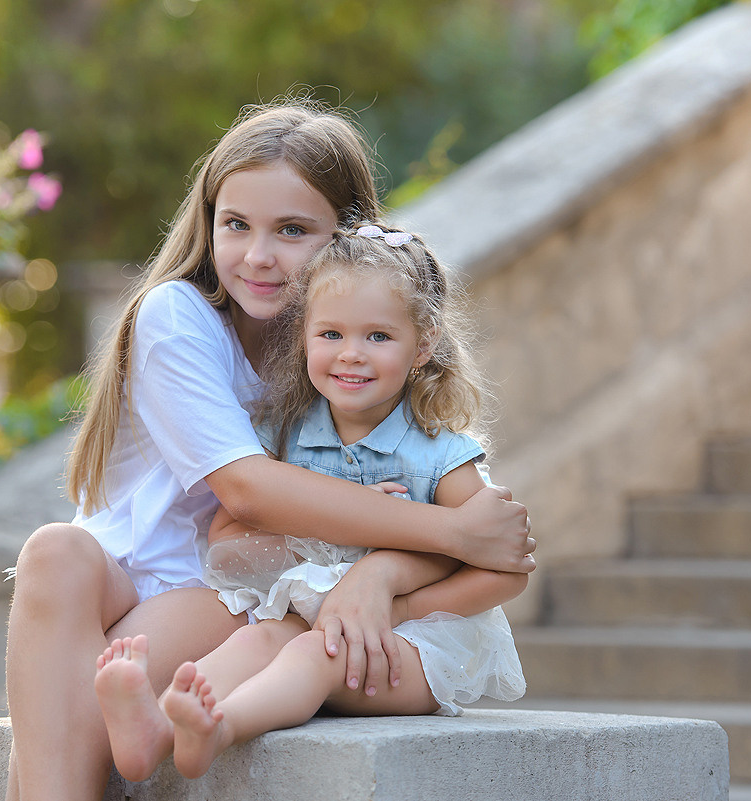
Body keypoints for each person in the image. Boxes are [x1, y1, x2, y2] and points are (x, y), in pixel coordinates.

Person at [4, 100, 536, 801]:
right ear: (209, 223)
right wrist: (454, 531)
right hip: (142, 573)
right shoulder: (179, 314)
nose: (258, 256)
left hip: (231, 592)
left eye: (291, 230)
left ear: (345, 239)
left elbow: (435, 497)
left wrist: (384, 571)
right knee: (52, 550)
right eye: (236, 225)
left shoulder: (345, 355)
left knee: (64, 721)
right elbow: (247, 491)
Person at [94, 224, 528, 780]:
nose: (351, 354)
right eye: (330, 334)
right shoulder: (288, 438)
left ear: (422, 346)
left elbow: (506, 570)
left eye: (378, 336)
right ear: (303, 338)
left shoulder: (439, 455)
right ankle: (153, 732)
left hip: (414, 647)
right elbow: (226, 544)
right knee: (259, 638)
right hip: (315, 625)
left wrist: (398, 610)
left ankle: (220, 728)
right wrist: (335, 525)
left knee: (310, 652)